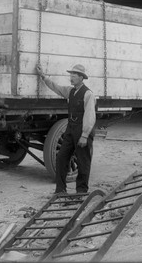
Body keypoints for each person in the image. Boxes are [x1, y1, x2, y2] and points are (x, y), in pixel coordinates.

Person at [35, 63, 96, 194]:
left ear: (81, 77)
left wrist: (85, 135)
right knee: (62, 158)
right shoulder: (70, 91)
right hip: (70, 129)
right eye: (71, 74)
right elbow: (55, 87)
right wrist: (43, 76)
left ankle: (81, 192)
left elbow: (90, 116)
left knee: (83, 162)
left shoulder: (88, 94)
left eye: (74, 75)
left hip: (83, 131)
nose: (71, 77)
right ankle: (60, 190)